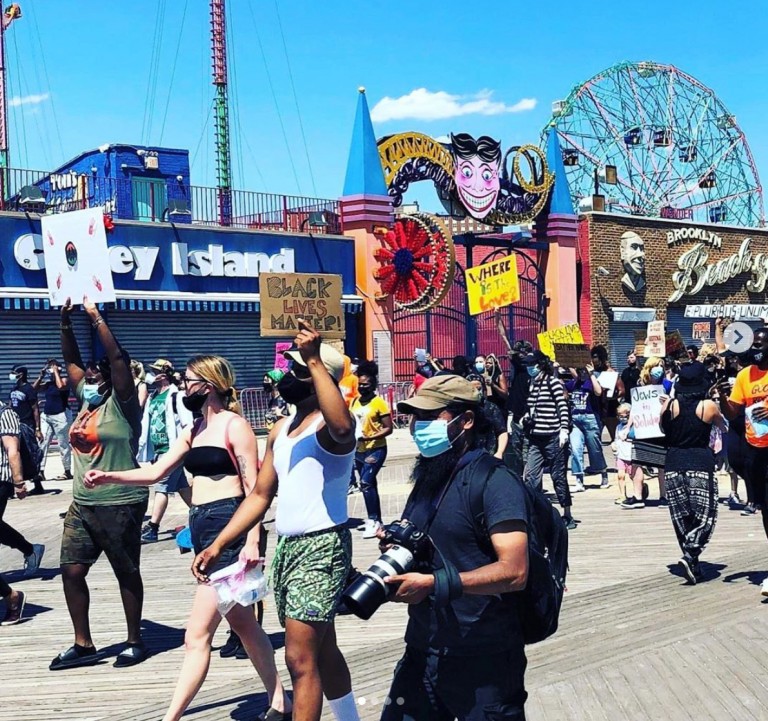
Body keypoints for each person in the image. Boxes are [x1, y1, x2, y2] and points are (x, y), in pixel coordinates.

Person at [84, 354, 291, 721]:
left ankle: (171, 717)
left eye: (187, 380)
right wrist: (109, 476)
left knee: (196, 635)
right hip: (202, 526)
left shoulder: (234, 425)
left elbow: (253, 488)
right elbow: (156, 471)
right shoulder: (194, 429)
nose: (183, 386)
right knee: (244, 624)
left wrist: (251, 541)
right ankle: (279, 701)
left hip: (229, 526)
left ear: (207, 386)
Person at [193, 321, 361, 721]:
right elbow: (260, 495)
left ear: (317, 376)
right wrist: (219, 544)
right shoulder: (281, 429)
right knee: (323, 648)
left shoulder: (329, 428)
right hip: (288, 548)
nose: (285, 375)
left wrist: (315, 359)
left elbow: (342, 426)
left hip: (322, 546)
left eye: (296, 369)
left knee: (299, 658)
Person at [380, 374, 529, 721]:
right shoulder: (431, 474)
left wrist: (434, 584)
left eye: (431, 416)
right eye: (416, 417)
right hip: (423, 645)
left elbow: (515, 571)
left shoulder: (495, 481)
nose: (419, 426)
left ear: (466, 421)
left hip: (484, 656)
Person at [52, 297, 149, 670]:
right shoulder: (86, 402)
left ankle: (135, 639)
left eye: (96, 374)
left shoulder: (123, 404)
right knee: (72, 569)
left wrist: (95, 318)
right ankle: (83, 643)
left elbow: (119, 360)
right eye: (88, 376)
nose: (89, 377)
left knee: (126, 570)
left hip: (120, 500)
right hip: (83, 501)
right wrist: (64, 323)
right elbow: (72, 363)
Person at [661, 362, 724, 584]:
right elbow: (723, 426)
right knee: (705, 515)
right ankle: (691, 553)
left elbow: (662, 429)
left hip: (673, 462)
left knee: (682, 516)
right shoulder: (708, 405)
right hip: (700, 461)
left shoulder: (669, 404)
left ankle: (693, 564)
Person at [719, 328, 768, 595]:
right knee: (765, 510)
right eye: (754, 344)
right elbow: (734, 410)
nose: (757, 348)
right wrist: (723, 399)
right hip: (756, 449)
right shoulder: (744, 376)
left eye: (761, 343)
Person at [138, 359, 194, 544]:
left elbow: (187, 423)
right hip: (158, 449)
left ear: (164, 374)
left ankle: (153, 527)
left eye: (155, 371)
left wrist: (185, 447)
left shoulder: (176, 396)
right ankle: (202, 513)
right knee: (181, 486)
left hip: (173, 449)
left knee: (161, 486)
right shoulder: (153, 396)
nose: (151, 374)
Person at [522, 351, 576, 529]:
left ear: (540, 365)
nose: (529, 368)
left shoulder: (553, 382)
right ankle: (535, 512)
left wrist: (564, 429)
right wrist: (525, 418)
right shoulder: (531, 384)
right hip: (536, 437)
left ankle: (567, 513)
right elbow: (532, 407)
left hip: (554, 436)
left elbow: (562, 406)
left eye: (532, 364)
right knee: (530, 475)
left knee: (557, 476)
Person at [0, 402, 45, 576]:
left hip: (2, 479)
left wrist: (18, 482)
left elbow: (13, 450)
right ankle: (30, 549)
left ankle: (30, 549)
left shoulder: (6, 414)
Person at [350, 361, 392, 539]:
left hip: (376, 449)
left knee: (366, 483)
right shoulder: (354, 401)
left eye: (365, 384)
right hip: (359, 450)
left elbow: (388, 428)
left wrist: (371, 437)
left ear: (373, 384)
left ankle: (374, 520)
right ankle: (375, 519)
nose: (362, 387)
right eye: (359, 384)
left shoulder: (379, 403)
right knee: (369, 484)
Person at [565, 365, 609, 492]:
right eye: (580, 371)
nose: (582, 373)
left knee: (594, 448)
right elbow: (561, 388)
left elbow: (598, 392)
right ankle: (579, 480)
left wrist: (592, 374)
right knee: (576, 449)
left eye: (584, 371)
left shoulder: (591, 382)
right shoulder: (573, 384)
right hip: (575, 418)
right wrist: (557, 370)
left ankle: (602, 471)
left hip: (590, 418)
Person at [32, 359, 73, 481]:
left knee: (63, 444)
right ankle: (40, 471)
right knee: (42, 443)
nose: (51, 370)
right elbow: (34, 389)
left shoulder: (65, 380)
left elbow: (61, 386)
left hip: (61, 415)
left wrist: (56, 372)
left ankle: (67, 470)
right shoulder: (49, 383)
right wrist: (41, 376)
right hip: (47, 415)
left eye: (53, 367)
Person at [8, 363, 44, 494]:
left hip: (27, 425)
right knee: (15, 453)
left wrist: (37, 428)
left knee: (30, 453)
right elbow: (10, 406)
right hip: (15, 424)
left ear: (21, 374)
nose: (11, 375)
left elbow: (35, 409)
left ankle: (37, 483)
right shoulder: (13, 388)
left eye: (14, 373)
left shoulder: (28, 389)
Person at [467, 373, 508, 459]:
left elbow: (502, 431)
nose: (476, 391)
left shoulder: (491, 407)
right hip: (468, 457)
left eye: (478, 388)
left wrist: (499, 452)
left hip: (488, 454)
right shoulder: (461, 408)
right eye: (472, 389)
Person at [615, 403, 646, 508]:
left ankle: (640, 491)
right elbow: (616, 439)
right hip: (621, 455)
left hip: (631, 456)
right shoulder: (618, 427)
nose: (623, 418)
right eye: (620, 416)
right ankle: (622, 495)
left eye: (626, 416)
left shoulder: (635, 427)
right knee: (620, 476)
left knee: (633, 476)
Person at [590, 345, 622, 443]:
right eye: (594, 357)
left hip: (609, 406)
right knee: (594, 437)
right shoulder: (590, 373)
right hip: (595, 405)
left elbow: (621, 390)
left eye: (598, 358)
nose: (595, 361)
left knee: (615, 437)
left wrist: (613, 395)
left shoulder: (611, 372)